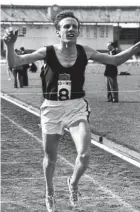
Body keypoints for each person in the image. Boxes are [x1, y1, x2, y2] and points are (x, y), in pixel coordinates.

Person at [3, 11, 140, 212]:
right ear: (58, 31)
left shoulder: (85, 51)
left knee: (84, 154)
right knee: (51, 158)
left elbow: (115, 61)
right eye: (66, 26)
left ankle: (73, 183)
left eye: (74, 26)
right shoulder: (47, 51)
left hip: (76, 107)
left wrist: (136, 48)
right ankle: (49, 192)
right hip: (52, 108)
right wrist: (9, 45)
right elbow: (14, 63)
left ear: (78, 31)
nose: (71, 29)